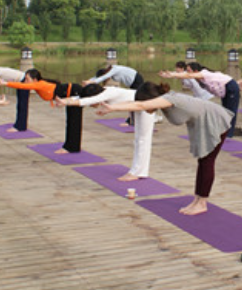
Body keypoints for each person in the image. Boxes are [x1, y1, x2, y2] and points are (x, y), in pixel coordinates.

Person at [96, 82, 234, 215]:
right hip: (203, 122)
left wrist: (113, 108)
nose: (145, 109)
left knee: (207, 162)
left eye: (146, 104)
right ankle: (197, 200)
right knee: (203, 161)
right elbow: (136, 103)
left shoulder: (168, 99)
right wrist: (111, 106)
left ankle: (202, 203)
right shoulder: (164, 100)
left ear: (151, 99)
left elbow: (140, 104)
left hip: (214, 120)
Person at [57, 86, 156, 181]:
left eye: (92, 103)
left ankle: (138, 172)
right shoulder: (101, 91)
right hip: (136, 106)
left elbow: (86, 100)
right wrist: (65, 101)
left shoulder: (107, 93)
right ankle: (137, 171)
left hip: (145, 104)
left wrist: (68, 102)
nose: (91, 106)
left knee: (143, 139)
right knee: (139, 140)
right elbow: (81, 98)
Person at [0, 73, 102, 154]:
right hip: (71, 93)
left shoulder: (40, 84)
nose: (25, 81)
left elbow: (22, 87)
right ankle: (71, 146)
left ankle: (71, 147)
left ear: (34, 79)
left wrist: (5, 83)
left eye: (27, 79)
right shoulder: (41, 84)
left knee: (73, 121)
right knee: (72, 120)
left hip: (74, 92)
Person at [159, 62, 241, 138]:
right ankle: (225, 131)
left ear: (195, 71)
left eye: (188, 70)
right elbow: (188, 79)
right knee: (225, 111)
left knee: (231, 111)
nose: (187, 72)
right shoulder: (197, 79)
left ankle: (229, 134)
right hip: (225, 90)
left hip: (230, 86)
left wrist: (173, 75)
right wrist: (172, 74)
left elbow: (189, 76)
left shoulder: (203, 74)